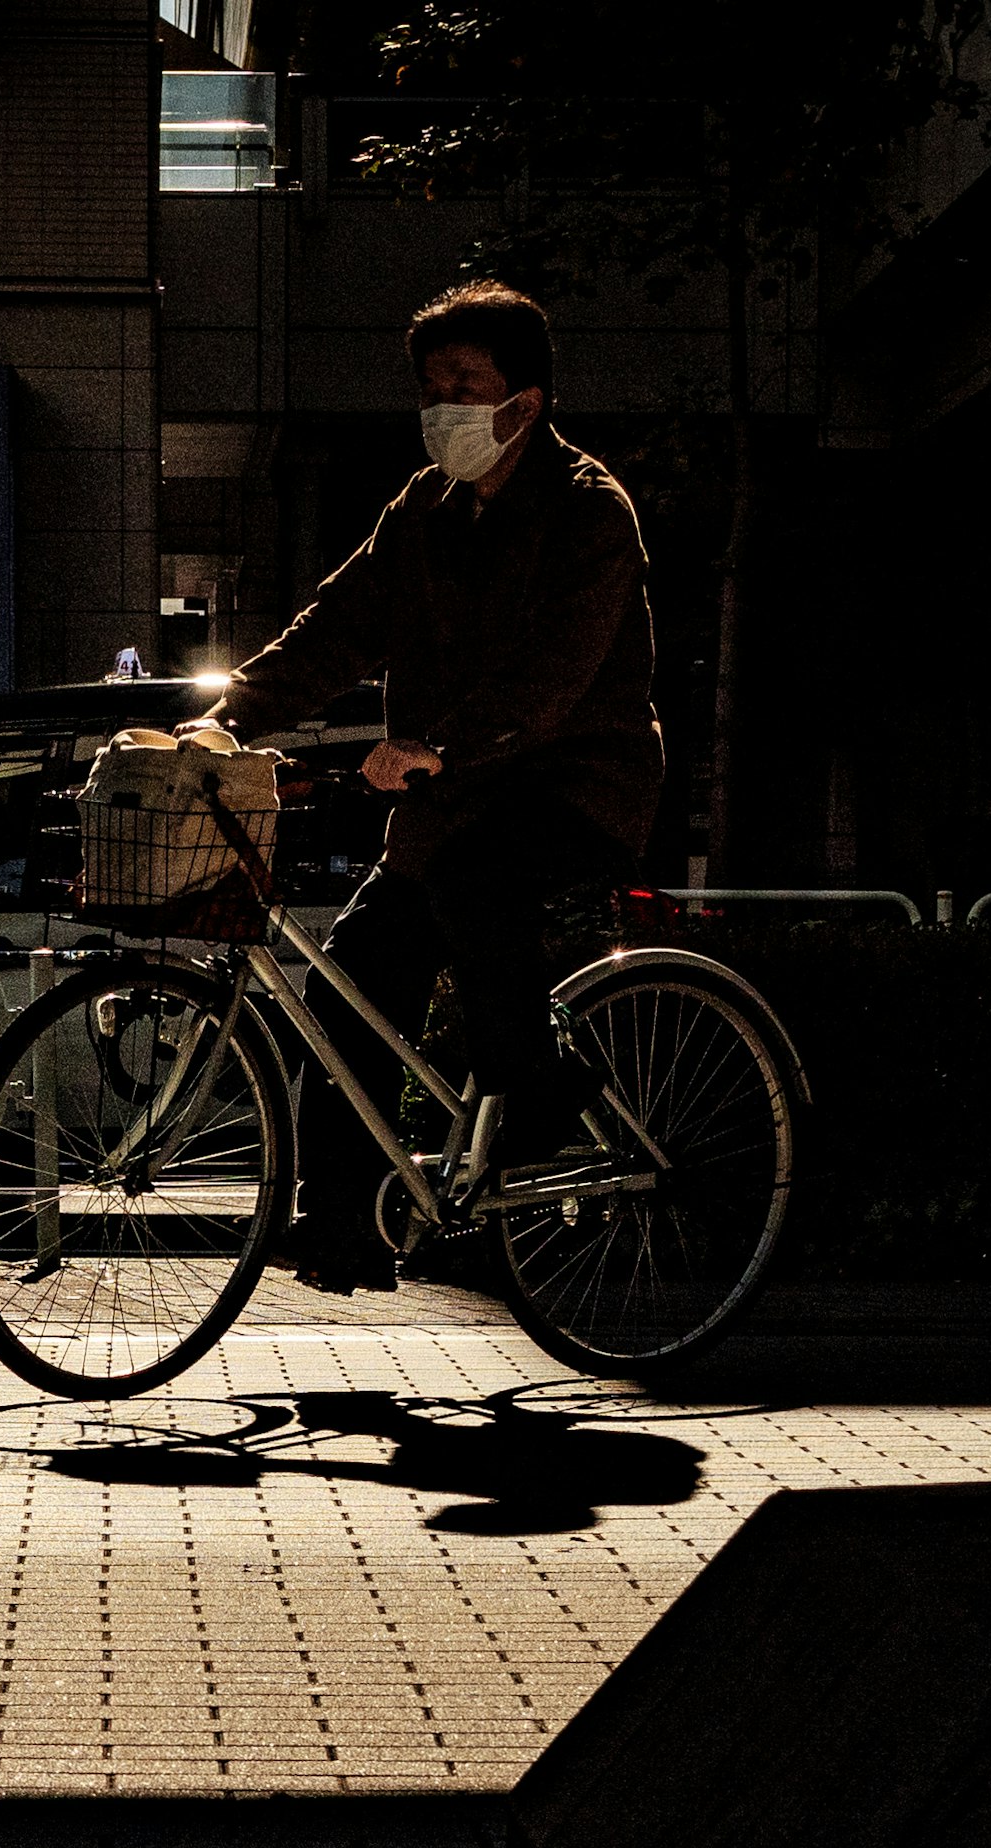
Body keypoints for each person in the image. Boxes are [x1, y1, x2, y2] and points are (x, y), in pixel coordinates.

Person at [203, 281, 662, 1290]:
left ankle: (539, 1090)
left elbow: (554, 675)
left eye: (468, 381)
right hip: (453, 800)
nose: (443, 403)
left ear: (527, 400)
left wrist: (437, 746)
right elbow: (335, 628)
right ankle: (343, 1224)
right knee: (350, 981)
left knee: (474, 879)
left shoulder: (589, 513)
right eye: (431, 384)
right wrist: (225, 717)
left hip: (575, 787)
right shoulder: (424, 509)